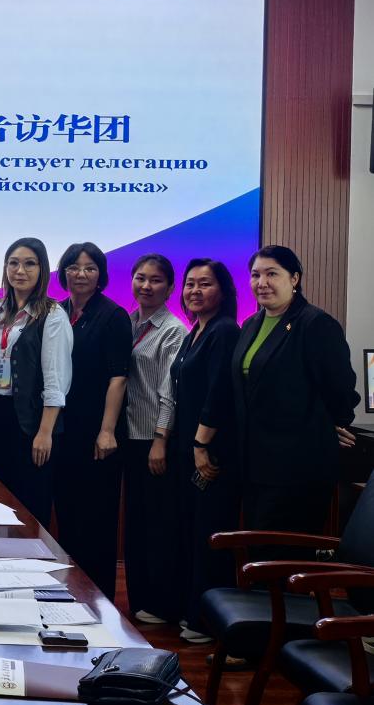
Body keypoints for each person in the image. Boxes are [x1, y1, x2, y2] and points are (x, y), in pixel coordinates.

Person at [216, 246, 359, 549]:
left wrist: (327, 425)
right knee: (257, 552)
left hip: (297, 469)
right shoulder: (251, 324)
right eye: (255, 275)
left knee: (283, 556)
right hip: (254, 464)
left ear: (294, 278)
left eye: (272, 274)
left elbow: (342, 389)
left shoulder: (315, 324)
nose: (262, 283)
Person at [165, 258, 241, 640]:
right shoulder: (195, 330)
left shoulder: (224, 331)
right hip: (186, 449)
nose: (195, 290)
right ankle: (191, 609)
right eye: (190, 284)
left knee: (210, 535)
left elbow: (218, 393)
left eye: (205, 284)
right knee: (191, 532)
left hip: (209, 453)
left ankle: (208, 621)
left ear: (223, 291)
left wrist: (200, 445)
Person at [51, 242, 132, 600]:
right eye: (73, 267)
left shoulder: (113, 315)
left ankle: (99, 603)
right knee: (67, 516)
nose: (80, 274)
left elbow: (119, 377)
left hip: (97, 433)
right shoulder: (58, 311)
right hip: (63, 430)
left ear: (101, 274)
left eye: (89, 268)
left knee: (95, 521)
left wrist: (107, 430)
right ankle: (71, 595)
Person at [0, 237, 73, 525]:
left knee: (29, 507)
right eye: (13, 263)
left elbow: (56, 380)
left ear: (42, 269)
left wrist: (45, 432)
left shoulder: (52, 315)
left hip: (31, 422)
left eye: (29, 264)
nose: (20, 271)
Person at [120, 254, 188, 626]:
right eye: (140, 278)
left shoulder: (173, 330)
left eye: (156, 280)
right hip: (130, 436)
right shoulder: (129, 322)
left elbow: (169, 393)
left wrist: (161, 440)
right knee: (136, 523)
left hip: (153, 439)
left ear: (170, 287)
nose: (146, 286)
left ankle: (162, 603)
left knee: (159, 524)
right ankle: (141, 599)